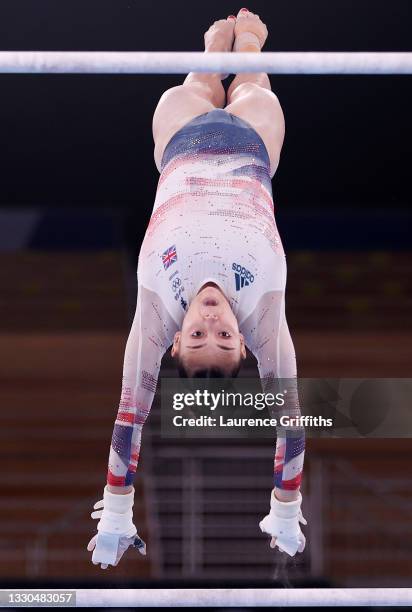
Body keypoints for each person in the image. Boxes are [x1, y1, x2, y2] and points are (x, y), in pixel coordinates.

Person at [88, 8, 306, 570]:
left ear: (175, 345)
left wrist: (116, 509)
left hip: (180, 144)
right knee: (252, 74)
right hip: (255, 145)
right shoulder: (265, 317)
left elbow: (129, 418)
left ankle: (214, 47)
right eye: (225, 336)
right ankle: (251, 42)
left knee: (204, 77)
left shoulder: (154, 315)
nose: (212, 319)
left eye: (200, 335)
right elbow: (291, 420)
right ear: (243, 340)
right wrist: (285, 506)